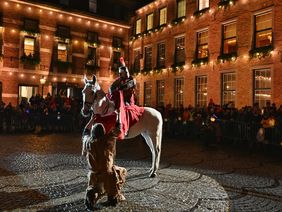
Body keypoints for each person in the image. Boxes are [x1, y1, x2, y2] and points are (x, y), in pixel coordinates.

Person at [83, 123, 127, 210]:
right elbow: (118, 132)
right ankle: (112, 198)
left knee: (94, 186)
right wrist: (118, 119)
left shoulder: (88, 142)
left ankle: (91, 198)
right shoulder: (108, 139)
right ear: (103, 132)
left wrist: (91, 120)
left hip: (94, 173)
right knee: (122, 171)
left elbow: (85, 132)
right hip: (107, 172)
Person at [108, 57, 144, 140]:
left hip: (127, 100)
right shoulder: (118, 80)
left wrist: (119, 88)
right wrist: (112, 90)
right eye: (120, 73)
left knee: (123, 110)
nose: (120, 74)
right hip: (118, 100)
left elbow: (128, 86)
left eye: (122, 73)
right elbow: (111, 87)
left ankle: (123, 127)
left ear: (126, 72)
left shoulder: (131, 79)